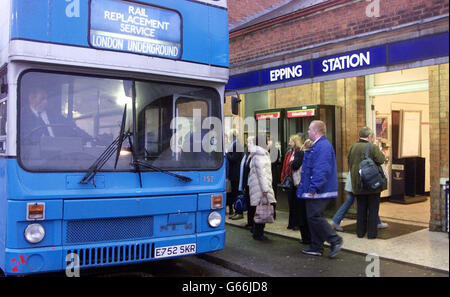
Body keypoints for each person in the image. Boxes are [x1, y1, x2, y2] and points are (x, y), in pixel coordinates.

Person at [297, 120, 342, 258]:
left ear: (316, 131)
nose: (308, 131)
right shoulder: (318, 145)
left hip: (319, 190)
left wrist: (313, 187)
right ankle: (316, 247)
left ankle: (335, 239)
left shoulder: (323, 147)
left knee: (314, 216)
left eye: (310, 129)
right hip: (316, 189)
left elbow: (322, 169)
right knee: (313, 217)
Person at [348, 127, 386, 239]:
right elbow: (381, 160)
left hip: (358, 184)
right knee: (373, 209)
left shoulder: (352, 147)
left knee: (361, 209)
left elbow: (349, 162)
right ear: (369, 136)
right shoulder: (372, 147)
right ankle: (371, 234)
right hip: (372, 183)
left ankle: (360, 232)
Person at [22, 86, 92, 144]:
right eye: (42, 98)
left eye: (46, 98)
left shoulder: (55, 116)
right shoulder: (22, 117)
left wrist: (90, 139)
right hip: (34, 158)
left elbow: (72, 127)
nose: (46, 101)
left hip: (59, 156)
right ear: (31, 98)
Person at [247, 134, 277, 241]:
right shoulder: (260, 155)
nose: (269, 142)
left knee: (260, 209)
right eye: (267, 140)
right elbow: (261, 174)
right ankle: (258, 234)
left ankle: (257, 232)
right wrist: (265, 189)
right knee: (262, 209)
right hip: (261, 187)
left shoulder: (258, 153)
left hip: (258, 186)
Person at [225, 129, 244, 219]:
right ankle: (236, 210)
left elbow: (233, 158)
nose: (228, 137)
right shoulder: (233, 144)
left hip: (236, 173)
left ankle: (239, 211)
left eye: (229, 136)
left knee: (236, 192)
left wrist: (227, 154)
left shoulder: (237, 145)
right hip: (233, 173)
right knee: (233, 192)